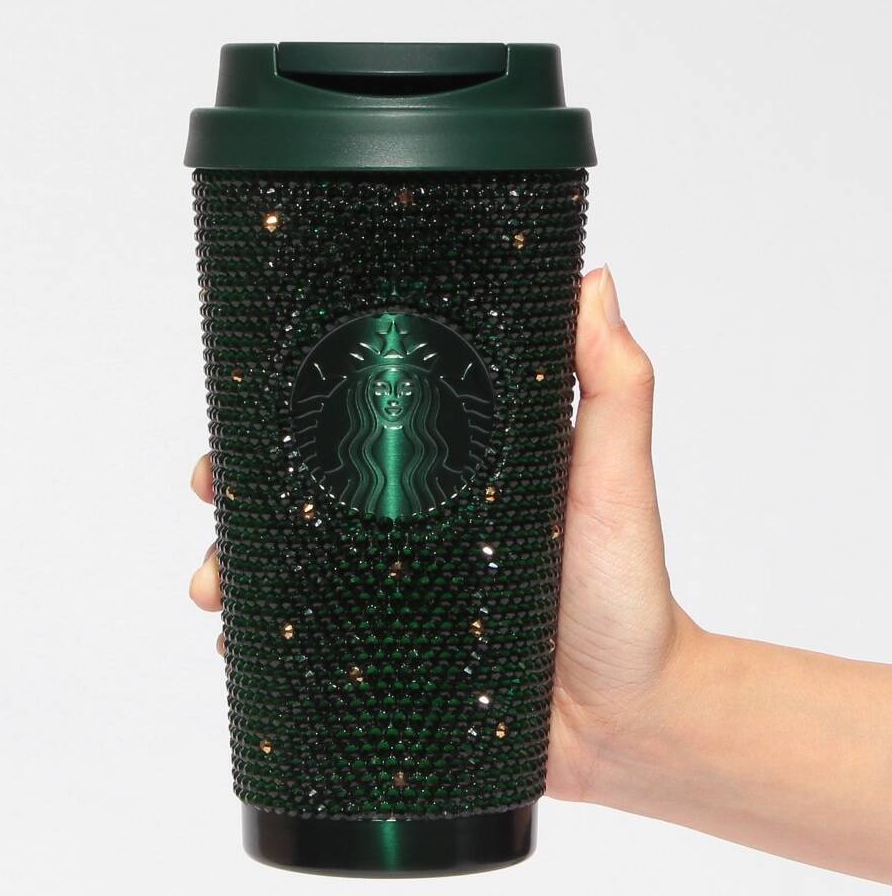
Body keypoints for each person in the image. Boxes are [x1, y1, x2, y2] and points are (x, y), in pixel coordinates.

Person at [187, 266, 892, 884]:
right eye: (378, 389)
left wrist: (620, 707)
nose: (395, 399)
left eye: (408, 386)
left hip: (502, 752)